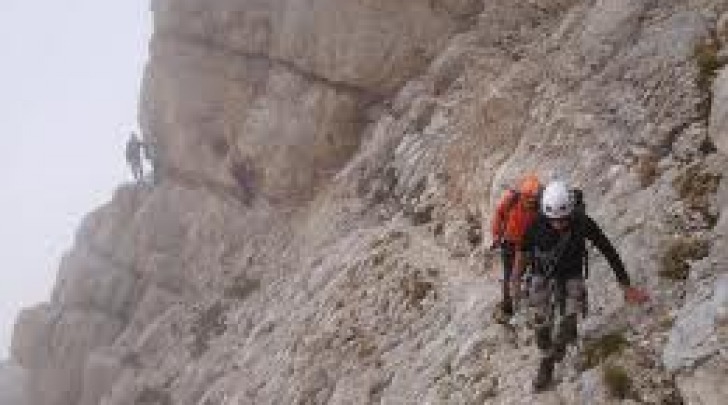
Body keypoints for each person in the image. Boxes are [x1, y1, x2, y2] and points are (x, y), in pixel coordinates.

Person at [513, 180, 649, 392]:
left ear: (570, 212)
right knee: (541, 324)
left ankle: (555, 353)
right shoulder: (536, 224)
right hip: (542, 274)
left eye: (563, 220)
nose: (558, 225)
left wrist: (626, 286)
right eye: (554, 220)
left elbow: (608, 250)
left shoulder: (582, 222)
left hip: (571, 274)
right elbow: (522, 253)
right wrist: (515, 282)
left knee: (569, 320)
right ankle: (547, 359)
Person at [489, 174, 542, 322]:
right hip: (510, 243)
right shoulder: (512, 200)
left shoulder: (540, 206)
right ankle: (508, 308)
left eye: (533, 200)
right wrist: (496, 236)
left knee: (532, 273)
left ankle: (528, 302)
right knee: (509, 276)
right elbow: (499, 215)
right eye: (528, 199)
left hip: (529, 244)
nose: (531, 203)